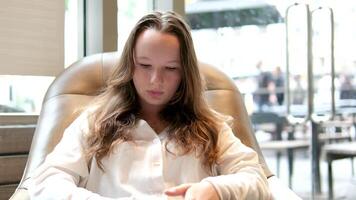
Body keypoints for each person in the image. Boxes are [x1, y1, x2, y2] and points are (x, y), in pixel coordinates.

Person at [28, 11, 271, 200]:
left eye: (171, 68)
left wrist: (215, 189)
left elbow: (256, 178)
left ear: (185, 73)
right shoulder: (93, 123)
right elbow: (47, 182)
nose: (156, 81)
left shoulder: (211, 127)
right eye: (144, 66)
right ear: (130, 65)